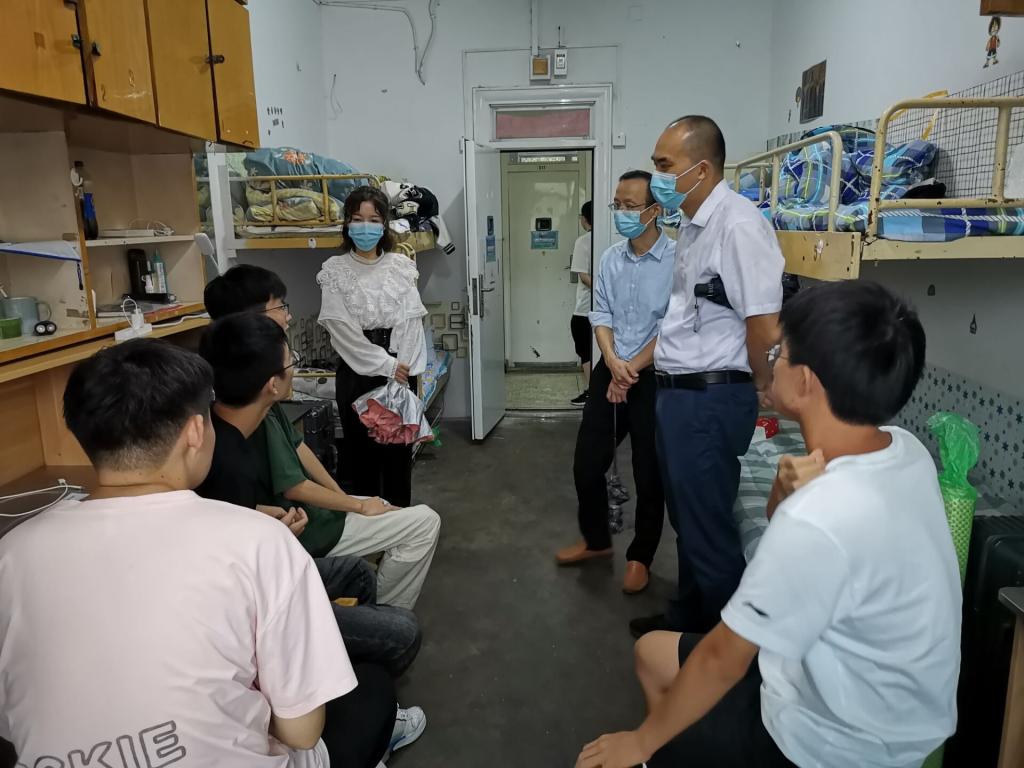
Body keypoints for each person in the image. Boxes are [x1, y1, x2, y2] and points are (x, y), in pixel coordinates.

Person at [576, 281, 961, 768]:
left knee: (631, 750)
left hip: (838, 740)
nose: (767, 360)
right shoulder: (905, 449)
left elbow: (723, 659)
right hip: (881, 703)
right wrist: (783, 493)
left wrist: (640, 743)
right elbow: (797, 533)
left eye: (779, 353)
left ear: (806, 383)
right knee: (651, 653)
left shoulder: (822, 514)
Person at [0, 339, 397, 768]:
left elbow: (12, 720)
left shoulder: (14, 551)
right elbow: (301, 732)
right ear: (194, 431)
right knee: (372, 687)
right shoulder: (258, 540)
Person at [631, 115, 784, 638]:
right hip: (680, 396)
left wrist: (764, 384)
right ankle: (689, 622)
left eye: (664, 166)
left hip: (709, 398)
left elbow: (764, 323)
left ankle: (727, 659)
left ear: (700, 169)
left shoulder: (738, 225)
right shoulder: (694, 227)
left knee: (709, 531)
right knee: (688, 520)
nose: (658, 178)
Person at [197, 312, 440, 612]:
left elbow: (291, 460)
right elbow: (290, 488)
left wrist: (346, 501)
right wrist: (357, 506)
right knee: (423, 523)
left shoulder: (245, 417)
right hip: (309, 533)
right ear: (272, 384)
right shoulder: (232, 451)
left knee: (387, 513)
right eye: (291, 363)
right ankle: (389, 613)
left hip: (304, 523)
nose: (288, 315)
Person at [556, 172, 671, 595]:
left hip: (654, 375)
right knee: (587, 463)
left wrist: (631, 368)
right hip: (612, 366)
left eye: (630, 206)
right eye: (616, 205)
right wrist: (612, 360)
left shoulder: (679, 259)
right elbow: (600, 313)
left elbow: (673, 326)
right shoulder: (609, 258)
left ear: (654, 210)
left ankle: (641, 556)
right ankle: (596, 540)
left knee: (648, 471)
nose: (621, 213)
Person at [318, 185, 428, 508]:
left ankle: (400, 525)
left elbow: (411, 321)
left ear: (384, 225)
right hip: (358, 373)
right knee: (362, 460)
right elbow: (342, 332)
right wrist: (387, 365)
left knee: (398, 460)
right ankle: (370, 529)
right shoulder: (335, 271)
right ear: (347, 223)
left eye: (373, 220)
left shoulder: (400, 266)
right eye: (357, 219)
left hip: (402, 374)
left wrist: (403, 368)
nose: (365, 227)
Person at [569, 200, 594, 407]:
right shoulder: (610, 238)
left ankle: (592, 393)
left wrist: (602, 290)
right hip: (608, 307)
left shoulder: (583, 241)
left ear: (584, 219)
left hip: (585, 309)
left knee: (585, 351)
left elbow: (584, 277)